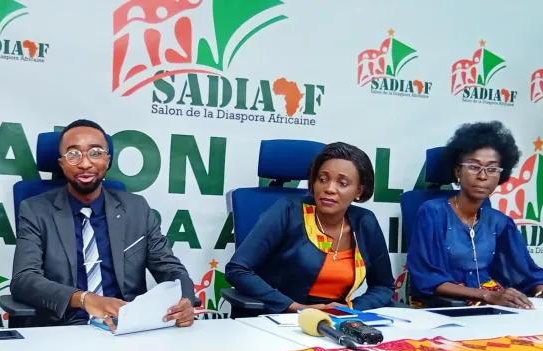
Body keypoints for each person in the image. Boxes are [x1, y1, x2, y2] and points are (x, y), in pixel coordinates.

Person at [11, 119, 196, 330]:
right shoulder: (35, 210)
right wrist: (85, 299)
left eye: (95, 153)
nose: (85, 163)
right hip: (63, 329)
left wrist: (185, 299)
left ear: (107, 160)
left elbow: (171, 269)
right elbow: (24, 279)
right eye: (73, 154)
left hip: (127, 327)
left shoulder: (136, 208)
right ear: (61, 163)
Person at [225, 142, 395, 313]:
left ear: (358, 191)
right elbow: (238, 269)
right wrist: (298, 308)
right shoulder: (287, 210)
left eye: (342, 183)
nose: (329, 189)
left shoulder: (365, 222)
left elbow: (383, 286)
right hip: (282, 316)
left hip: (335, 320)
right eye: (322, 179)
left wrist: (349, 309)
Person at [407, 121, 543, 308]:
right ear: (458, 171)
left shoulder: (500, 222)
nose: (483, 176)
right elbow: (429, 279)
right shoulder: (433, 213)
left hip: (492, 303)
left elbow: (526, 273)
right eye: (474, 167)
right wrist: (487, 296)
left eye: (492, 169)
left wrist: (539, 291)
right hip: (446, 307)